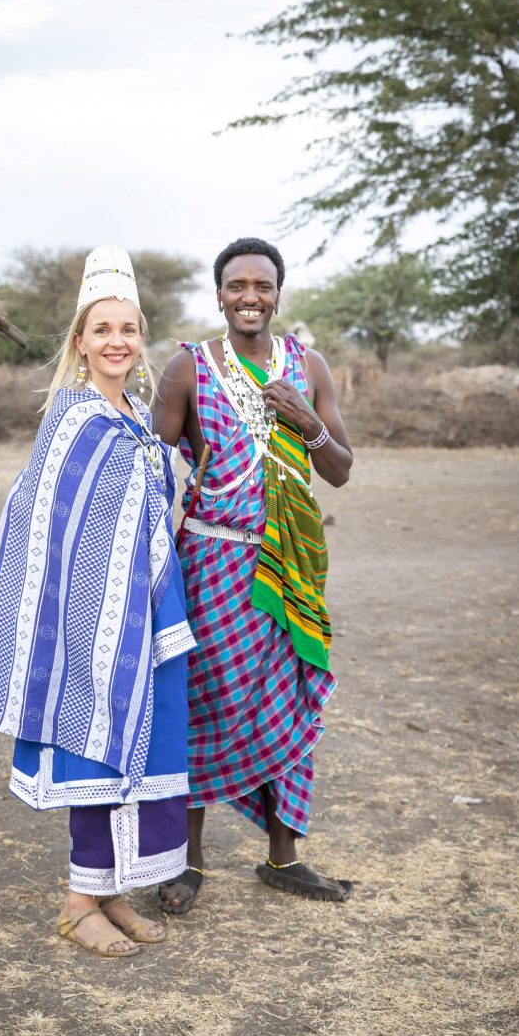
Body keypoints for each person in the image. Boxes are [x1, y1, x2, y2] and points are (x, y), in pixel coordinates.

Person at [0, 245, 195, 957]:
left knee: (142, 745)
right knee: (97, 751)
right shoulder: (73, 422)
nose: (116, 342)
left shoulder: (136, 414)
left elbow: (149, 512)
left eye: (128, 330)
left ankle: (111, 891)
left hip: (148, 617)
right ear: (80, 341)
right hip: (87, 628)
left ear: (141, 341)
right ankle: (78, 902)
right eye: (102, 330)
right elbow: (48, 534)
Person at [152, 237, 354, 911]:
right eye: (236, 285)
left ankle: (283, 859)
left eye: (261, 286)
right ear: (219, 295)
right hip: (211, 562)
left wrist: (305, 420)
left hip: (289, 561)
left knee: (289, 695)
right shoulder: (189, 367)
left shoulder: (308, 366)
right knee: (202, 702)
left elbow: (341, 468)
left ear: (277, 293)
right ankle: (188, 865)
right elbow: (151, 464)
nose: (249, 297)